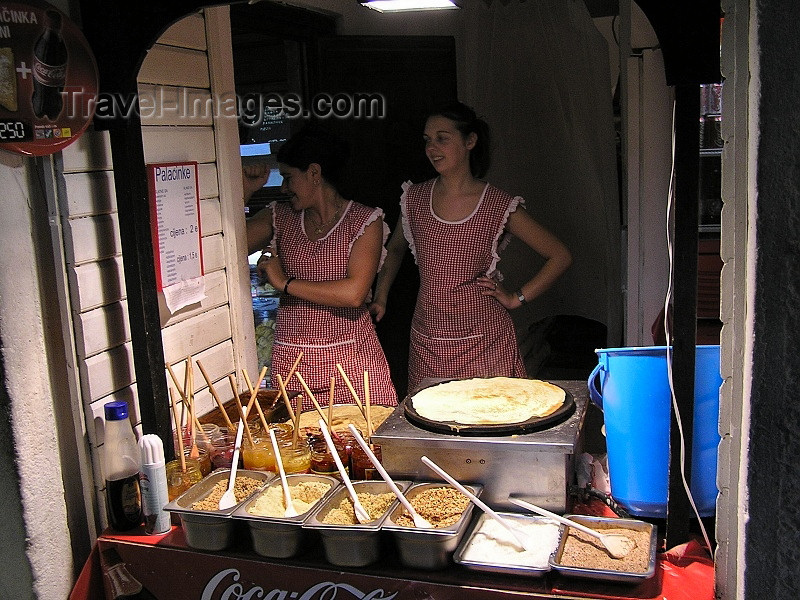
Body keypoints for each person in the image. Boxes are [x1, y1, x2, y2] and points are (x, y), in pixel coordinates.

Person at [370, 101, 572, 393]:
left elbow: (560, 255)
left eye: (442, 138)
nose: (432, 148)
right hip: (429, 337)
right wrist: (381, 295)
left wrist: (517, 298)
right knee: (434, 421)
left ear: (470, 141)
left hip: (484, 338)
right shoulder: (414, 198)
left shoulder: (497, 204)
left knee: (490, 419)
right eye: (427, 140)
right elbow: (397, 248)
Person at [245, 126, 397, 410]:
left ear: (314, 173)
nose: (283, 188)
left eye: (289, 178)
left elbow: (353, 293)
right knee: (301, 451)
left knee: (366, 446)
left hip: (354, 366)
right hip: (295, 366)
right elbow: (230, 245)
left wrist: (285, 283)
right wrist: (246, 191)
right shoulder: (280, 216)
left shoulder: (365, 221)